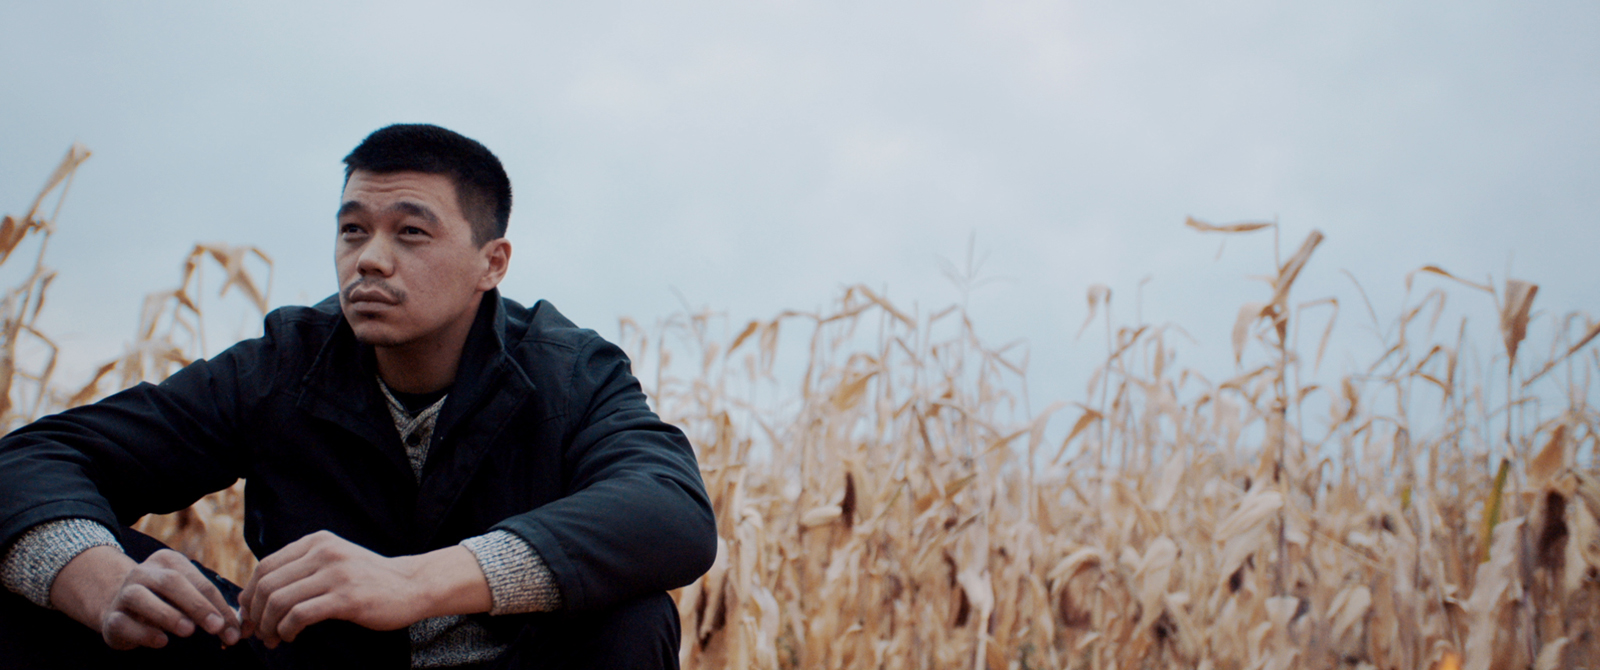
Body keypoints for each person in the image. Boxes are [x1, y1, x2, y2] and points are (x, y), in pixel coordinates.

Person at [0, 124, 717, 669]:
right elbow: (32, 462)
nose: (369, 259)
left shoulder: (568, 369)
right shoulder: (283, 364)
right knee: (45, 566)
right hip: (312, 663)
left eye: (411, 232)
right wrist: (105, 587)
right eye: (353, 230)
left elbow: (669, 510)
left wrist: (414, 584)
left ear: (491, 263)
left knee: (633, 616)